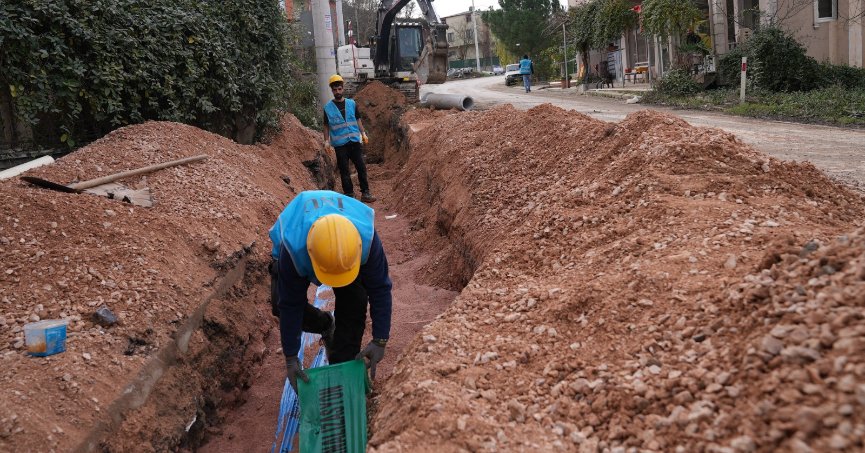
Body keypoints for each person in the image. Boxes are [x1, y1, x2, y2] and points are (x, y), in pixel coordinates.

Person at [269, 190, 393, 392]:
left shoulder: (367, 240)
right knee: (279, 305)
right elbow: (290, 304)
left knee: (355, 301)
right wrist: (291, 357)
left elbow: (380, 289)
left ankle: (342, 370)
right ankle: (325, 323)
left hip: (346, 250)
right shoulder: (293, 250)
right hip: (297, 240)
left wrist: (380, 339)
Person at [323, 74, 376, 203]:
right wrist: (326, 141)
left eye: (339, 89)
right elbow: (326, 126)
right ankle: (349, 195)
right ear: (332, 90)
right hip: (340, 145)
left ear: (343, 88)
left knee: (361, 167)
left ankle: (365, 193)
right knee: (344, 170)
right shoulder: (327, 108)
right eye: (335, 90)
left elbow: (357, 119)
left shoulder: (352, 104)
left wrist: (363, 133)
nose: (337, 92)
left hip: (354, 141)